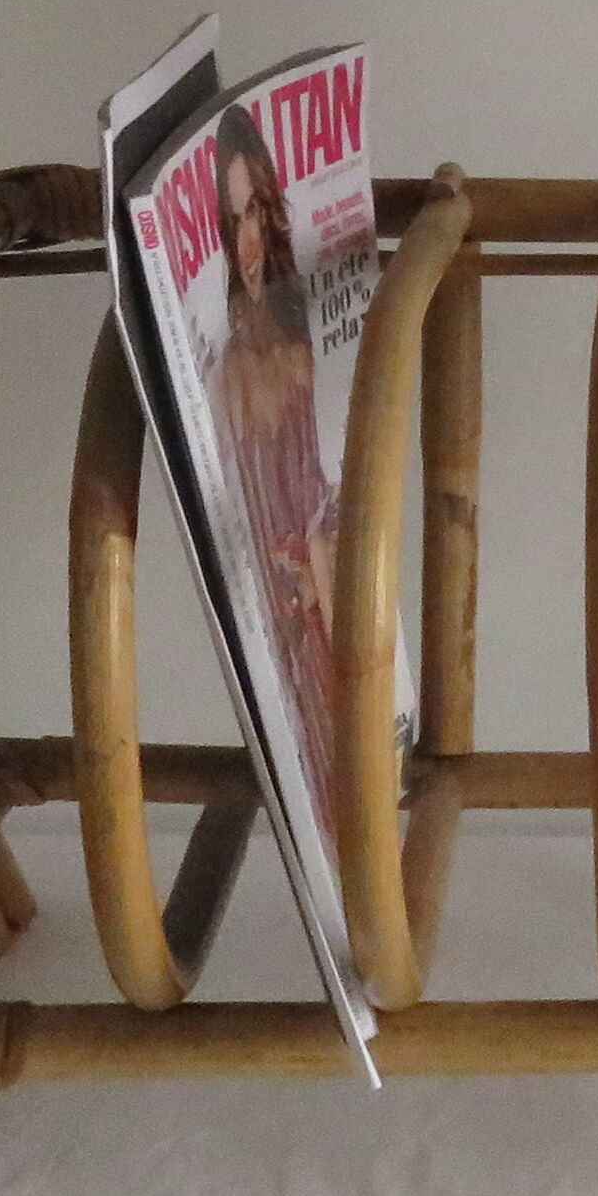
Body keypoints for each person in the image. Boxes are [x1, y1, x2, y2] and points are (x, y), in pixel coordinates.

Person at [208, 102, 343, 837]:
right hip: (277, 626)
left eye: (257, 211)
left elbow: (322, 494)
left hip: (324, 605)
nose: (250, 241)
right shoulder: (226, 371)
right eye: (233, 223)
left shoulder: (296, 340)